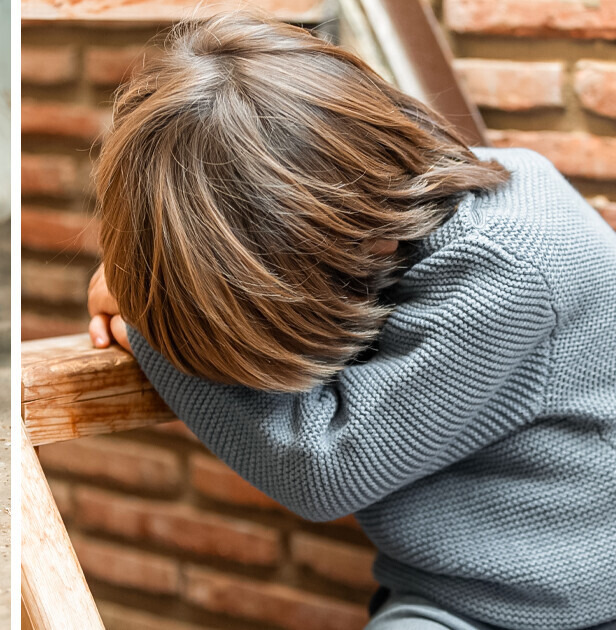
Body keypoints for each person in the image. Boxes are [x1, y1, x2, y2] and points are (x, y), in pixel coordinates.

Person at [86, 11, 616, 630]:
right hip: (450, 599)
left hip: (565, 610)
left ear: (360, 241)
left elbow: (321, 466)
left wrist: (150, 327)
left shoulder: (510, 274)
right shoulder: (415, 205)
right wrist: (157, 292)